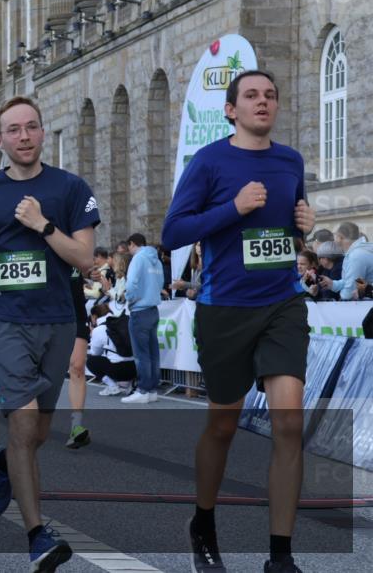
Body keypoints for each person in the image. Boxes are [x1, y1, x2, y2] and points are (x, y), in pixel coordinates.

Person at [161, 70, 316, 573]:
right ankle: (203, 521)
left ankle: (280, 555)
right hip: (224, 309)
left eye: (270, 94)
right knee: (223, 424)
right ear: (231, 110)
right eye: (251, 95)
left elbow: (291, 225)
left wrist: (304, 224)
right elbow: (174, 231)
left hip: (282, 304)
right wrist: (232, 207)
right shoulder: (210, 161)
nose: (262, 102)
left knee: (289, 422)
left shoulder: (290, 160)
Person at [0, 96, 98, 571]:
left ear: (41, 131)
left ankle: (5, 462)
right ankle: (37, 534)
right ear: (0, 140)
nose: (24, 137)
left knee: (35, 433)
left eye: (31, 127)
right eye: (13, 130)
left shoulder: (70, 187)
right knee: (23, 422)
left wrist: (43, 225)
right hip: (4, 319)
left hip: (57, 319)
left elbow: (84, 259)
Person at [121, 233, 163, 404]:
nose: (129, 251)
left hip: (139, 310)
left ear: (132, 244)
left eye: (128, 247)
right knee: (153, 353)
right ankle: (152, 389)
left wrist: (129, 297)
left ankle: (143, 389)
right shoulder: (157, 259)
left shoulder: (138, 259)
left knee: (141, 354)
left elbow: (131, 284)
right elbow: (161, 283)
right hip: (153, 309)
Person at [65, 267, 92, 449]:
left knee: (77, 367)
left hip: (76, 315)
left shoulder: (77, 242)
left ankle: (76, 426)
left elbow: (87, 265)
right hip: (45, 316)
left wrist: (90, 273)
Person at [85, 303, 136, 395]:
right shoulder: (123, 323)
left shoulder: (99, 329)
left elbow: (95, 352)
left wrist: (93, 334)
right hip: (135, 368)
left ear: (94, 316)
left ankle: (113, 386)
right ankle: (128, 385)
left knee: (91, 361)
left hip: (119, 370)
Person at [318, 221, 373, 300]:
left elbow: (351, 288)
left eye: (335, 236)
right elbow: (352, 281)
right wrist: (333, 284)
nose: (335, 241)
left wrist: (341, 299)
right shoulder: (356, 253)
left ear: (340, 237)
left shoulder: (356, 256)